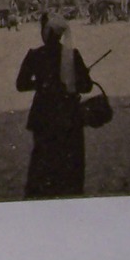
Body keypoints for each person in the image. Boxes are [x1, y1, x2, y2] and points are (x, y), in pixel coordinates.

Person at [15, 17, 95, 199]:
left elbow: (21, 84)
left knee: (43, 159)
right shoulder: (72, 55)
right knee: (70, 159)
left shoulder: (34, 55)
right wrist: (73, 81)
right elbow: (87, 86)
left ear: (47, 33)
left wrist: (42, 85)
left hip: (43, 115)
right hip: (69, 116)